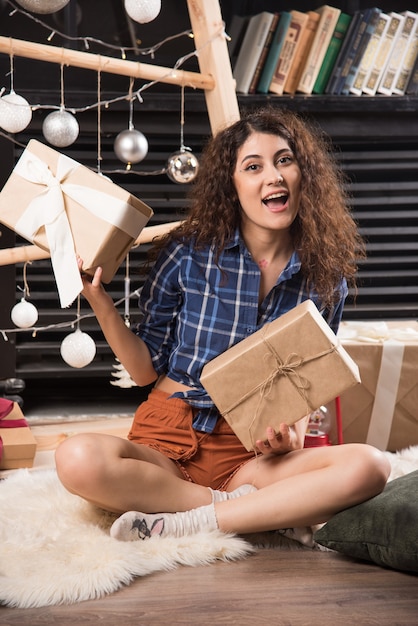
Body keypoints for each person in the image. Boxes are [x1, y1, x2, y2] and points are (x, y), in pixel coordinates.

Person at [55, 107, 390, 542]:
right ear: (231, 186)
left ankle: (188, 520)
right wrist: (99, 302)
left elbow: (305, 390)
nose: (274, 176)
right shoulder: (185, 254)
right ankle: (245, 512)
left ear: (304, 173)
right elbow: (143, 372)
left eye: (284, 160)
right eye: (254, 167)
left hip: (250, 455)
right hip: (167, 439)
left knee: (372, 466)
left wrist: (291, 439)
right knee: (76, 458)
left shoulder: (326, 278)